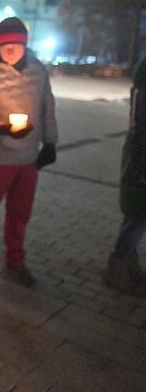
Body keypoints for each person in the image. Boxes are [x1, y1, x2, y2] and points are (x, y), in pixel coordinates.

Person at [0, 17, 58, 289]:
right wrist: (2, 129)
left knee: (20, 214)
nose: (10, 51)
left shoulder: (38, 72)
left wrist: (50, 143)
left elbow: (47, 108)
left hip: (28, 159)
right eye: (5, 46)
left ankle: (15, 262)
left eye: (16, 45)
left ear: (25, 44)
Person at [102, 57, 146, 297]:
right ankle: (119, 264)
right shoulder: (144, 86)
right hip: (142, 158)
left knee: (137, 214)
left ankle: (128, 260)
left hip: (139, 155)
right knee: (137, 214)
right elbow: (141, 127)